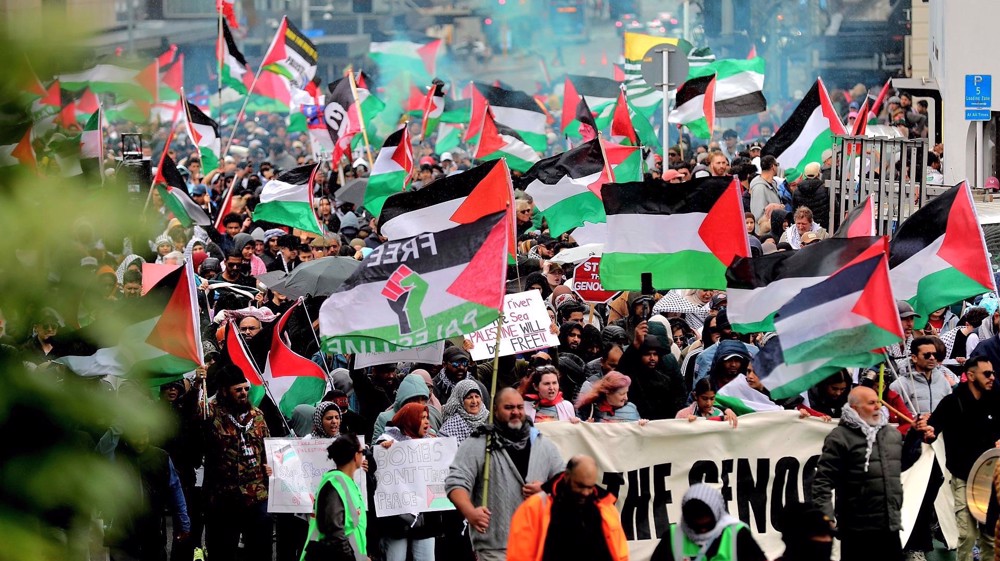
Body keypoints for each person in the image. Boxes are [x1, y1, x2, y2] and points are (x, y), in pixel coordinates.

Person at [445, 388, 565, 561]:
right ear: (495, 410)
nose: (515, 412)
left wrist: (546, 488)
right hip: (495, 547)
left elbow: (565, 481)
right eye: (508, 407)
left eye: (519, 407)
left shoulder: (542, 443)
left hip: (537, 545)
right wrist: (470, 512)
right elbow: (456, 482)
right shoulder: (479, 442)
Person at [189, 364, 272, 561]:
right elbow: (189, 413)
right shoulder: (210, 413)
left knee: (260, 551)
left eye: (245, 389)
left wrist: (272, 468)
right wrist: (197, 385)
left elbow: (268, 448)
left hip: (256, 496)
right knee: (222, 552)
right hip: (223, 499)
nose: (243, 393)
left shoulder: (257, 416)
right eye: (238, 390)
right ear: (225, 391)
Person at [810, 386, 904, 561]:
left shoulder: (891, 434)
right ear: (855, 408)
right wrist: (826, 517)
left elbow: (901, 464)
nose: (878, 407)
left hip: (890, 525)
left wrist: (917, 438)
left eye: (878, 401)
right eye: (871, 403)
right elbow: (822, 481)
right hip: (856, 529)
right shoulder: (839, 437)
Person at [920, 357, 1000, 561]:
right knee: (967, 535)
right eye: (987, 374)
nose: (992, 377)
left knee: (990, 537)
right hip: (963, 478)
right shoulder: (951, 402)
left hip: (991, 478)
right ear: (971, 376)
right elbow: (932, 430)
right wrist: (928, 432)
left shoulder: (996, 399)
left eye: (993, 373)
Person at [507, 455, 629, 561]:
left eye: (590, 487)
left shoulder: (606, 509)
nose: (586, 492)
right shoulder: (533, 508)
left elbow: (620, 554)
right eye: (580, 486)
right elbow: (519, 555)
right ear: (567, 476)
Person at [375, 403, 440, 561]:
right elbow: (375, 467)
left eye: (427, 418)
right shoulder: (387, 441)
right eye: (421, 418)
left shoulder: (430, 443)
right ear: (410, 420)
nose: (426, 422)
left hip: (425, 518)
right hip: (397, 519)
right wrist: (382, 451)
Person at [650, 483, 767, 561]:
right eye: (696, 524)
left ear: (717, 514)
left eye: (707, 523)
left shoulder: (737, 534)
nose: (703, 529)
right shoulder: (673, 537)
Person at [300, 434, 367, 561]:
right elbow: (334, 534)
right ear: (355, 455)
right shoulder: (335, 485)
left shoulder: (346, 482)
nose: (363, 455)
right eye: (362, 452)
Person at [889, 336, 953, 417]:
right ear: (914, 358)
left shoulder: (943, 382)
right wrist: (917, 420)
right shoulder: (899, 385)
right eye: (927, 355)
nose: (932, 358)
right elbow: (894, 417)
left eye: (935, 354)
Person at [575, 371, 646, 423]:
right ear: (607, 392)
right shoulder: (589, 410)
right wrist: (583, 426)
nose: (626, 398)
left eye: (626, 393)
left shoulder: (631, 408)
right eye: (622, 394)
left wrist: (642, 426)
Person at [439, 379, 489, 443]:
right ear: (460, 401)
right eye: (469, 397)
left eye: (477, 396)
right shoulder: (452, 426)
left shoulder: (488, 418)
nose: (474, 401)